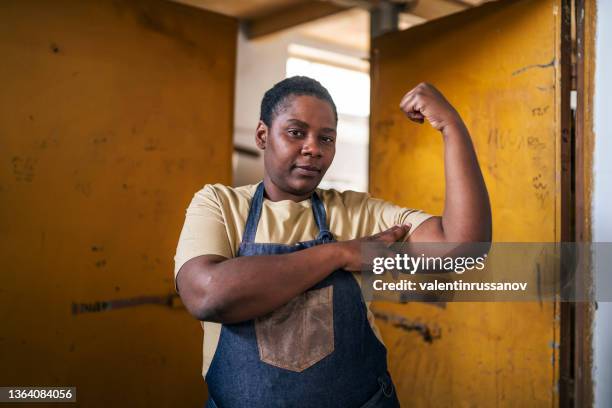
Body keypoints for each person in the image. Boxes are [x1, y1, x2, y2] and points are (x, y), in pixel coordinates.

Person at [174, 76, 491, 408]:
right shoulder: (220, 204)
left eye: (326, 138)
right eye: (296, 133)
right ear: (262, 135)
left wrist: (452, 128)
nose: (313, 148)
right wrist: (341, 253)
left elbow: (462, 250)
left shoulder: (356, 211)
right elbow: (207, 295)